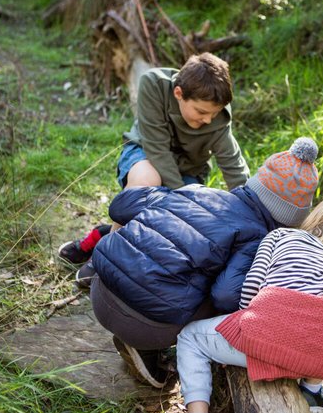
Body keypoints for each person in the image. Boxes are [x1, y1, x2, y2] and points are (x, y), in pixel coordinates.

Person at [90, 137, 320, 390]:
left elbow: (120, 205)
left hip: (100, 293)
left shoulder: (196, 190)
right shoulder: (255, 237)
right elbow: (224, 296)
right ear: (287, 218)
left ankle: (144, 347)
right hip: (147, 326)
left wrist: (164, 203)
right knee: (223, 291)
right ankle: (155, 348)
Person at [167, 191, 323, 413]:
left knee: (190, 337)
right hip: (314, 359)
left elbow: (252, 290)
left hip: (263, 338)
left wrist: (236, 334)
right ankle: (312, 391)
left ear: (317, 217)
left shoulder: (279, 236)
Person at [57, 54, 250, 289]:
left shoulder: (216, 117)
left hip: (187, 173)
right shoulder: (154, 84)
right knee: (148, 181)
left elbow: (234, 166)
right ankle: (104, 257)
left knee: (184, 233)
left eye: (214, 113)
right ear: (179, 93)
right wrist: (181, 201)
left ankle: (104, 236)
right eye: (201, 112)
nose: (209, 119)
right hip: (145, 154)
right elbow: (156, 148)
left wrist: (250, 211)